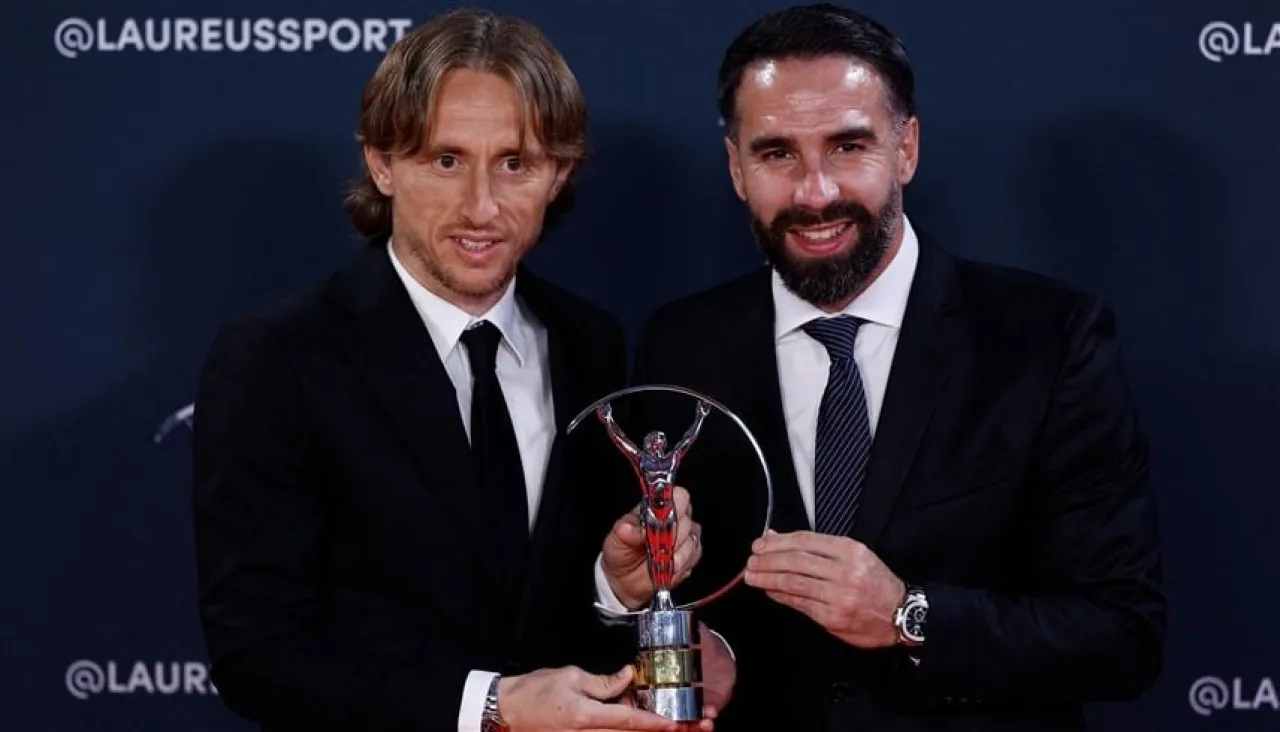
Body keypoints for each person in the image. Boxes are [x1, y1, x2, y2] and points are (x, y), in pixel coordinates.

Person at [598, 3, 1166, 730]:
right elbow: (671, 588)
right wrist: (702, 646)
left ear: (906, 149)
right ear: (736, 168)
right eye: (777, 154)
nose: (815, 193)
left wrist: (908, 615)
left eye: (847, 147)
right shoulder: (680, 345)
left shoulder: (1046, 340)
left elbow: (1123, 635)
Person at [191, 9, 722, 732]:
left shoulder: (589, 343)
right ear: (382, 163)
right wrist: (489, 706)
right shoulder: (278, 357)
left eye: (516, 163)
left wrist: (614, 586)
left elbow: (543, 609)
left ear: (559, 174)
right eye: (446, 160)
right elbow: (256, 654)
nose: (482, 206)